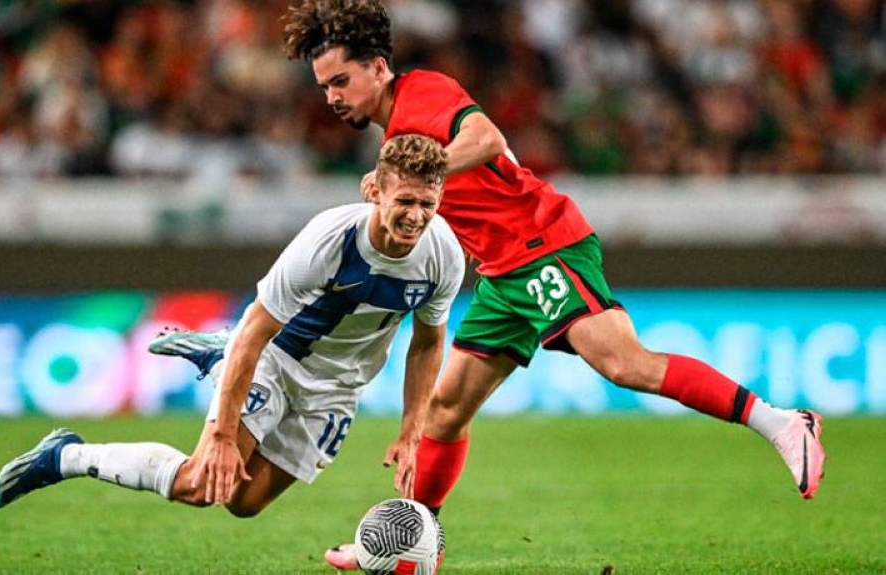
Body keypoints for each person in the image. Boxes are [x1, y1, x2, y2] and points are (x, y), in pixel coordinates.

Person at [278, 1, 827, 569]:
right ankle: (410, 542)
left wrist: (417, 175)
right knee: (444, 412)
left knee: (624, 364)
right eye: (324, 87)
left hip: (543, 245)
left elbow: (487, 138)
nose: (332, 97)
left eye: (340, 81)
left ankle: (783, 423)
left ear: (378, 67)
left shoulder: (421, 93)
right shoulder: (395, 131)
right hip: (502, 272)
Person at [0, 134, 466, 522]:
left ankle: (219, 357)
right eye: (405, 200)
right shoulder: (328, 243)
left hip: (338, 387)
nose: (416, 216)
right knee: (202, 485)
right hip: (276, 358)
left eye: (428, 202)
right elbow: (255, 331)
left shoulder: (443, 254)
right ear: (374, 190)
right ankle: (66, 456)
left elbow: (427, 344)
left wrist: (412, 431)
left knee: (244, 502)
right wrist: (220, 433)